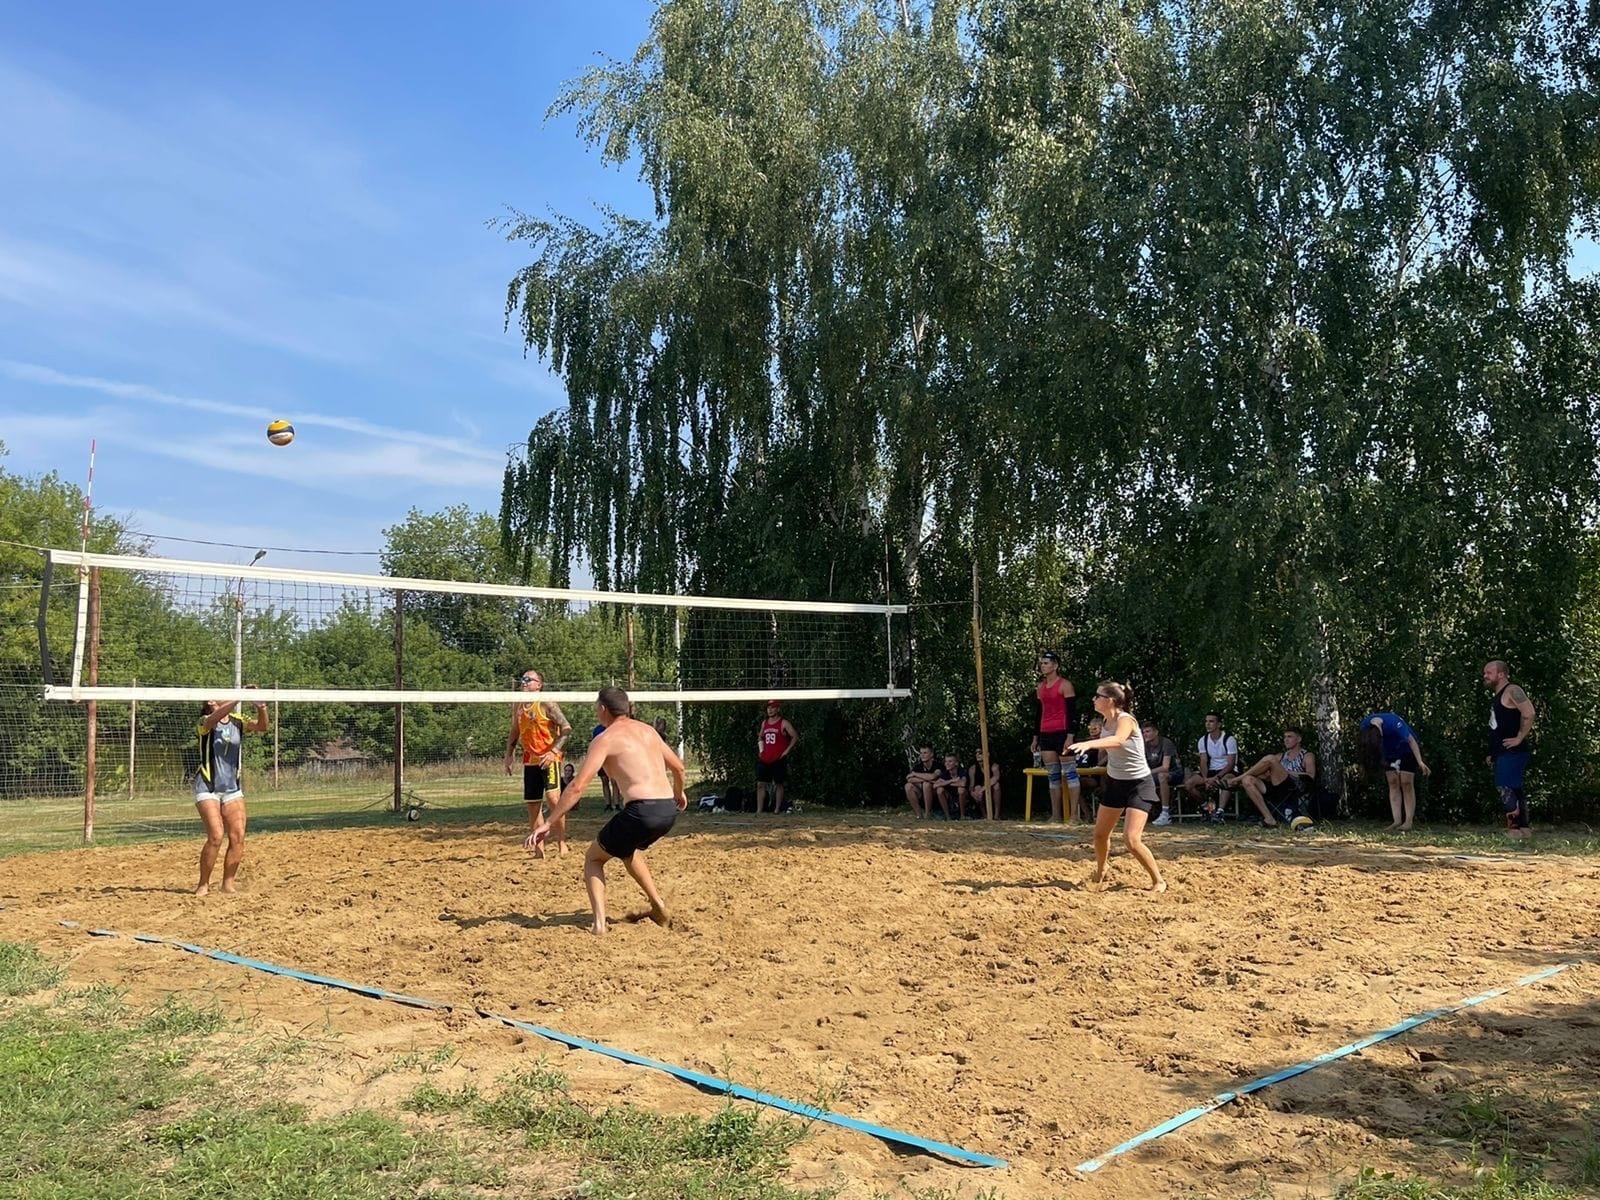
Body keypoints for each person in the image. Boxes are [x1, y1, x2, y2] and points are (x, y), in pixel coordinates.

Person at [531, 686, 687, 935]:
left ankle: (599, 925)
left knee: (593, 858)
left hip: (641, 811)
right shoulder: (648, 730)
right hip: (668, 810)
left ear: (603, 709)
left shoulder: (605, 739)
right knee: (627, 850)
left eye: (597, 706)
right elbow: (678, 768)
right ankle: (658, 904)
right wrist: (678, 794)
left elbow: (577, 787)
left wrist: (549, 822)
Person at [1068, 682, 1166, 892]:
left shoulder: (1126, 720)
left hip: (1139, 784)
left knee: (1131, 839)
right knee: (1100, 835)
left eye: (1098, 696)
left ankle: (1158, 880)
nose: (1094, 699)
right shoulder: (1105, 721)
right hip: (1115, 783)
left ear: (1110, 700)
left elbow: (1118, 740)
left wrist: (1089, 743)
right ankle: (1101, 870)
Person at [192, 690, 269, 895]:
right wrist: (241, 695)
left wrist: (261, 707)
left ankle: (228, 884)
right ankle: (203, 884)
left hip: (231, 788)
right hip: (208, 787)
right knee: (216, 836)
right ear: (210, 701)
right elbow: (215, 718)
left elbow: (262, 727)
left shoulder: (237, 721)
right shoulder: (205, 721)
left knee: (238, 836)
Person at [503, 669, 573, 857]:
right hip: (530, 759)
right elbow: (514, 730)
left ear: (539, 685)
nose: (524, 682)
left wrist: (554, 751)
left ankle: (561, 843)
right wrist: (509, 755)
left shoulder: (546, 702)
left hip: (549, 758)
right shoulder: (518, 704)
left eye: (528, 679)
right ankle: (539, 848)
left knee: (553, 800)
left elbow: (566, 728)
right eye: (522, 679)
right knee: (533, 805)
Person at [1483, 661, 1535, 838]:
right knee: (1515, 788)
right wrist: (1492, 752)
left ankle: (1514, 829)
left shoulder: (1512, 690)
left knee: (1505, 787)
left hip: (1512, 751)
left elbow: (1529, 712)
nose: (1485, 676)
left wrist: (1520, 737)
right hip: (1502, 751)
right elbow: (1497, 726)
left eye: (1489, 672)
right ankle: (1524, 829)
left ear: (1501, 674)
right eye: (1485, 673)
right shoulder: (1498, 695)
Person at [1227, 726, 1318, 827]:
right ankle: (1269, 819)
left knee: (1270, 758)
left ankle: (1236, 779)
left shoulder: (1307, 755)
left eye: (1289, 737)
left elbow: (1311, 776)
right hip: (1276, 787)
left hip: (1295, 787)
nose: (1286, 740)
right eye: (1285, 737)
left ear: (1299, 739)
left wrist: (1287, 772)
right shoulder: (1281, 756)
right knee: (1247, 780)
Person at [1358, 711, 1430, 831]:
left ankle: (1408, 821)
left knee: (1406, 782)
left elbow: (1411, 741)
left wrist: (1420, 762)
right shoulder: (1365, 726)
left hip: (1406, 748)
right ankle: (1396, 821)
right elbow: (1366, 748)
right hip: (1388, 753)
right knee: (1393, 782)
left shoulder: (1393, 722)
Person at [1030, 651, 1080, 822]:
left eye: (1046, 663)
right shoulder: (1040, 687)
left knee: (1070, 773)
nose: (1043, 666)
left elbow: (1072, 712)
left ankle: (1074, 815)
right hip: (1045, 732)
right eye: (1042, 663)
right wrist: (1035, 737)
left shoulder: (1065, 685)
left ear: (1055, 665)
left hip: (1063, 732)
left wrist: (1070, 735)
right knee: (1053, 775)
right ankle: (1056, 815)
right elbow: (1039, 713)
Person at [1182, 712, 1238, 822]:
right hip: (1211, 770)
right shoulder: (1203, 740)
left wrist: (1216, 777)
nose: (1208, 724)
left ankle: (1220, 812)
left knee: (1227, 781)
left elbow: (1231, 764)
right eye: (1206, 721)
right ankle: (1206, 807)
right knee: (1188, 784)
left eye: (1211, 721)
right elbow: (1203, 761)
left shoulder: (1229, 739)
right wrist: (1205, 779)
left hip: (1226, 770)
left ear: (1219, 724)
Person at [755, 700, 798, 814]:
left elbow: (794, 736)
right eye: (768, 708)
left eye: (773, 707)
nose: (770, 710)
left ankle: (777, 809)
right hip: (765, 758)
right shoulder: (765, 723)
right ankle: (759, 810)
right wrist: (761, 750)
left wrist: (786, 751)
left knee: (779, 783)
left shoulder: (784, 723)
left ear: (778, 709)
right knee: (760, 783)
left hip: (778, 758)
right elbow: (760, 737)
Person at [1141, 722, 1182, 826]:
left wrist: (1146, 772)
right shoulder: (1144, 745)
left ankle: (1165, 813)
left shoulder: (1166, 743)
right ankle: (1140, 811)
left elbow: (1165, 767)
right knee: (1136, 779)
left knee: (1162, 776)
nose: (1145, 734)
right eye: (1143, 732)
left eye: (1148, 731)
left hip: (1174, 773)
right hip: (1154, 774)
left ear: (1156, 732)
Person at [1074, 716, 1105, 819]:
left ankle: (1089, 814)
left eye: (1095, 729)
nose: (1092, 731)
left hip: (1096, 776)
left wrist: (1098, 765)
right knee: (1070, 784)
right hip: (1081, 774)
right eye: (1090, 729)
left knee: (1073, 784)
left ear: (1102, 729)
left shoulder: (1104, 743)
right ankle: (1087, 813)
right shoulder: (1084, 742)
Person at [904, 744, 942, 817]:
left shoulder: (938, 765)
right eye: (921, 753)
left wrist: (915, 774)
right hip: (922, 793)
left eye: (925, 753)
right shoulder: (918, 766)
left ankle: (928, 814)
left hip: (936, 794)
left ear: (931, 754)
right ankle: (919, 814)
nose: (922, 755)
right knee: (908, 786)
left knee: (926, 785)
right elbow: (909, 778)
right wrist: (925, 779)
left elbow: (932, 776)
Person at [591, 722, 620, 811]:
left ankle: (617, 804)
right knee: (604, 781)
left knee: (614, 782)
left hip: (613, 758)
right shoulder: (597, 729)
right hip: (602, 758)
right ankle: (608, 804)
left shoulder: (614, 728)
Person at [933, 753, 970, 819]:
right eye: (946, 761)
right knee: (939, 790)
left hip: (963, 796)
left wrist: (945, 783)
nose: (947, 763)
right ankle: (948, 817)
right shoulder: (945, 773)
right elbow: (935, 785)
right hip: (950, 796)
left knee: (961, 790)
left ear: (956, 763)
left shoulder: (961, 771)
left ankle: (962, 815)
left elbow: (963, 784)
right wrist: (951, 781)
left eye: (950, 761)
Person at [968, 750, 1002, 819]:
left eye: (980, 753)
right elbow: (971, 785)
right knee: (977, 787)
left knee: (997, 785)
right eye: (976, 753)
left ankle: (996, 816)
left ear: (987, 754)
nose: (977, 754)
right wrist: (973, 793)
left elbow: (996, 778)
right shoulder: (972, 768)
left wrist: (982, 789)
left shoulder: (994, 766)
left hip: (991, 790)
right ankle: (984, 815)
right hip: (980, 792)